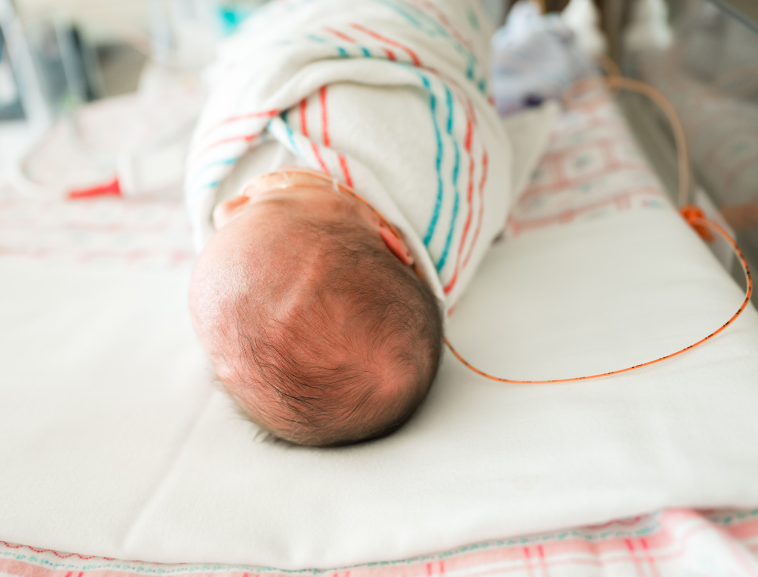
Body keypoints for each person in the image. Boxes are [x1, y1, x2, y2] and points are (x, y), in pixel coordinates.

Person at [186, 0, 515, 446]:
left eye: (229, 221)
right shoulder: (439, 202)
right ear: (395, 244)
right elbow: (489, 162)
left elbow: (239, 93)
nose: (225, 207)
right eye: (276, 199)